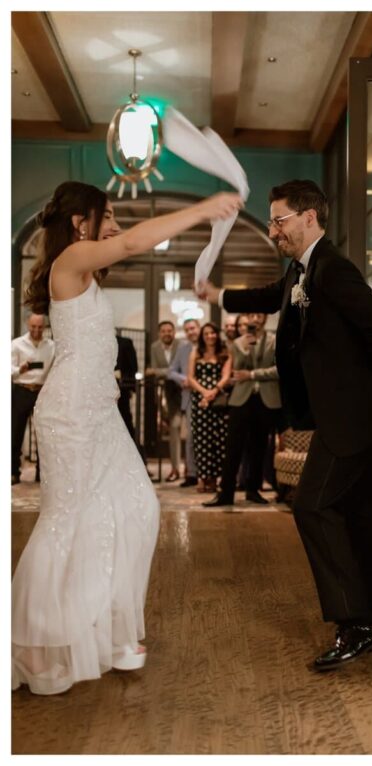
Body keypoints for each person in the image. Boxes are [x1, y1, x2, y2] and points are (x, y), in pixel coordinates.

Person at [12, 181, 241, 695]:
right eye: (108, 215)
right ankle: (33, 643)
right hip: (71, 412)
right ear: (80, 223)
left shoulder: (85, 272)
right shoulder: (71, 260)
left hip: (100, 411)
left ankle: (108, 626)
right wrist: (204, 208)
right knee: (66, 521)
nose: (115, 225)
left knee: (139, 505)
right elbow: (134, 242)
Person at [196, 179, 372, 671]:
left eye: (279, 221)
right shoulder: (301, 269)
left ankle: (356, 623)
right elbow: (274, 296)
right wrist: (219, 295)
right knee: (356, 514)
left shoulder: (332, 267)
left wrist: (358, 379)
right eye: (272, 222)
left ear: (309, 217)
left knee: (311, 506)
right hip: (354, 416)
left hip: (353, 416)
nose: (273, 231)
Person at [203, 312, 282, 508]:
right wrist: (246, 350)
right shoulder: (239, 342)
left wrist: (253, 374)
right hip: (241, 399)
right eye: (252, 316)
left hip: (266, 400)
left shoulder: (274, 340)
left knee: (259, 446)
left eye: (259, 315)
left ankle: (253, 490)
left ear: (265, 318)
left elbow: (279, 369)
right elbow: (237, 370)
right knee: (233, 447)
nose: (255, 319)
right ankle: (225, 493)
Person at [187, 323, 232, 493]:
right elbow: (190, 378)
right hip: (200, 402)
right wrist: (204, 393)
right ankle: (202, 477)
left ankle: (214, 479)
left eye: (213, 333)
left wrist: (213, 392)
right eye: (206, 333)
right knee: (200, 441)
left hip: (219, 401)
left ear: (217, 334)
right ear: (202, 336)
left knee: (218, 441)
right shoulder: (196, 352)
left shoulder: (225, 352)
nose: (210, 336)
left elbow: (226, 376)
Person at [11, 313, 55, 484]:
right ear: (27, 324)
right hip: (22, 390)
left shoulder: (51, 346)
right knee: (15, 433)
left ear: (44, 327)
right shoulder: (16, 344)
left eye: (40, 327)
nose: (36, 330)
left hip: (42, 392)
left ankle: (41, 474)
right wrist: (20, 369)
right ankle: (13, 472)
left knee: (44, 434)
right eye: (33, 326)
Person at [146, 320, 184, 481]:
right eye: (163, 331)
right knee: (173, 430)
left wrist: (162, 372)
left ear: (174, 332)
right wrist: (169, 372)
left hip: (184, 391)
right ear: (159, 333)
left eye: (169, 330)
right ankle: (175, 469)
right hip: (166, 394)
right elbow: (153, 371)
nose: (167, 333)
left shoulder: (182, 346)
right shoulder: (154, 347)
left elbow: (182, 370)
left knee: (187, 432)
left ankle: (191, 470)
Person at [167, 318, 201, 487]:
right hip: (189, 397)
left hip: (210, 396)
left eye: (193, 328)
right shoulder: (182, 349)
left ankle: (209, 475)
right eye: (187, 329)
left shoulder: (209, 344)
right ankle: (192, 474)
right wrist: (184, 379)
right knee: (191, 437)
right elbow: (171, 372)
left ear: (199, 328)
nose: (190, 332)